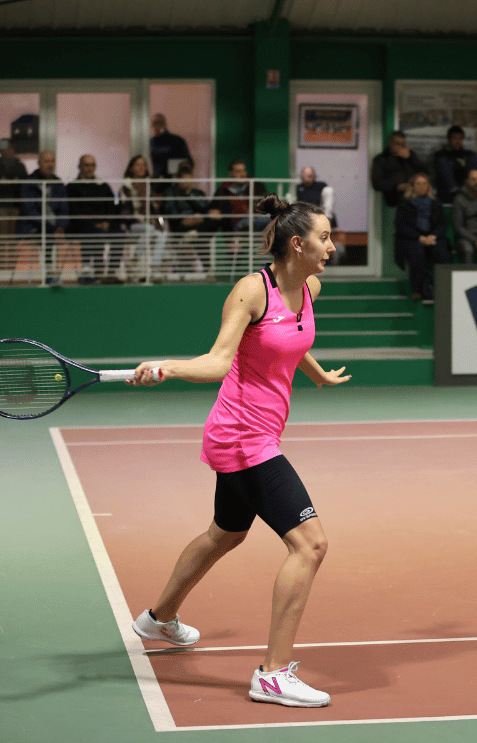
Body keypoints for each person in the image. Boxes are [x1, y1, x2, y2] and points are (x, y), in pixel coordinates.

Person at [127, 194, 347, 709]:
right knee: (310, 545)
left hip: (259, 432)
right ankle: (272, 675)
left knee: (224, 534)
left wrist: (316, 374)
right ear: (298, 244)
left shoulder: (308, 286)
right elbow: (219, 360)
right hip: (243, 435)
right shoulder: (253, 290)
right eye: (325, 237)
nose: (333, 246)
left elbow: (290, 339)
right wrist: (170, 367)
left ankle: (157, 619)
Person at [395, 172, 450, 302]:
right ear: (412, 186)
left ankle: (444, 287)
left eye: (424, 183)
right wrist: (419, 237)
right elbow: (401, 226)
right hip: (412, 237)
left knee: (442, 251)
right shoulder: (404, 204)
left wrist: (433, 236)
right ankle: (417, 290)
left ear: (429, 186)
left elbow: (442, 224)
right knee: (417, 252)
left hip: (432, 236)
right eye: (418, 183)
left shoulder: (436, 203)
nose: (421, 186)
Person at [16, 151, 70, 283]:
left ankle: (55, 273)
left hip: (53, 226)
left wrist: (61, 226)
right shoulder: (29, 183)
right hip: (32, 226)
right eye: (46, 161)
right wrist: (50, 226)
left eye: (52, 161)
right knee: (47, 233)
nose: (50, 164)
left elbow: (64, 209)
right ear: (39, 163)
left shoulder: (58, 184)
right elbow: (29, 211)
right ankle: (50, 274)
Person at [211, 159, 271, 277]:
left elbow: (266, 202)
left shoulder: (256, 185)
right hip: (238, 226)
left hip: (257, 221)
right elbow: (215, 208)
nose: (242, 174)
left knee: (267, 227)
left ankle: (265, 270)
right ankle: (265, 270)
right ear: (231, 174)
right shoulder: (223, 190)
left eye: (243, 170)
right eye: (238, 171)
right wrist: (213, 211)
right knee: (269, 226)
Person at [66, 155, 119, 283]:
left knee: (119, 234)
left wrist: (107, 222)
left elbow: (111, 207)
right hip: (81, 226)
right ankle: (94, 272)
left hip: (103, 225)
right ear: (79, 167)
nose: (90, 168)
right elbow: (74, 212)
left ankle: (111, 272)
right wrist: (96, 224)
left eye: (92, 165)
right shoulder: (72, 187)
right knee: (94, 233)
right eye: (86, 165)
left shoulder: (104, 186)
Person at [0, 137, 29, 271]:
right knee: (3, 236)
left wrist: (8, 180)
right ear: (0, 151)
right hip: (1, 205)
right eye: (5, 148)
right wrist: (12, 180)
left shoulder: (20, 165)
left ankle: (10, 265)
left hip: (15, 204)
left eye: (10, 147)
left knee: (12, 236)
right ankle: (2, 265)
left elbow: (23, 183)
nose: (9, 151)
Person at [120, 155, 169, 280]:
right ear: (131, 168)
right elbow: (123, 210)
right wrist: (136, 219)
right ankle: (135, 259)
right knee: (150, 229)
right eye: (138, 164)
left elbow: (155, 208)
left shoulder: (150, 186)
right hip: (133, 225)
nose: (142, 167)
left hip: (148, 227)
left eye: (144, 165)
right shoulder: (126, 187)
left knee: (162, 235)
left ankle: (154, 268)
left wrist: (158, 221)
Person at [163, 167, 212, 276]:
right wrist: (186, 218)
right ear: (178, 180)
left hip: (198, 225)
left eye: (190, 179)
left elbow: (205, 209)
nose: (187, 182)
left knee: (205, 230)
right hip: (179, 225)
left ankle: (207, 270)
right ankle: (193, 234)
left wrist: (189, 195)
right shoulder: (170, 193)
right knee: (200, 234)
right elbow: (169, 212)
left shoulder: (197, 193)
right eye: (184, 179)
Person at [295, 167, 344, 265]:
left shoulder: (321, 186)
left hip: (322, 216)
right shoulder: (298, 188)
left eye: (311, 175)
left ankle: (328, 222)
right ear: (302, 177)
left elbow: (328, 206)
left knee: (329, 190)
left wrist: (334, 225)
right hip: (306, 218)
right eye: (306, 176)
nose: (309, 178)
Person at [370, 131, 428, 208]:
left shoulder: (410, 155)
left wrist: (410, 158)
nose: (400, 147)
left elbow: (425, 172)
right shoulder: (381, 159)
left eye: (403, 144)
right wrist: (397, 186)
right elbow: (376, 183)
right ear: (390, 143)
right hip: (395, 197)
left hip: (415, 194)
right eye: (397, 144)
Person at [432, 125, 477, 203]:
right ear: (449, 139)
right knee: (442, 162)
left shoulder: (468, 155)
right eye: (454, 138)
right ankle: (456, 192)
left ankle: (472, 190)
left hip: (466, 187)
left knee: (473, 159)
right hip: (447, 189)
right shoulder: (441, 155)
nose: (457, 141)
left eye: (460, 138)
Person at [149, 113, 192, 179]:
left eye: (160, 123)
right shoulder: (150, 143)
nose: (158, 126)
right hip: (157, 180)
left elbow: (189, 162)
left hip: (175, 179)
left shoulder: (177, 141)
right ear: (152, 125)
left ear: (165, 124)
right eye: (155, 124)